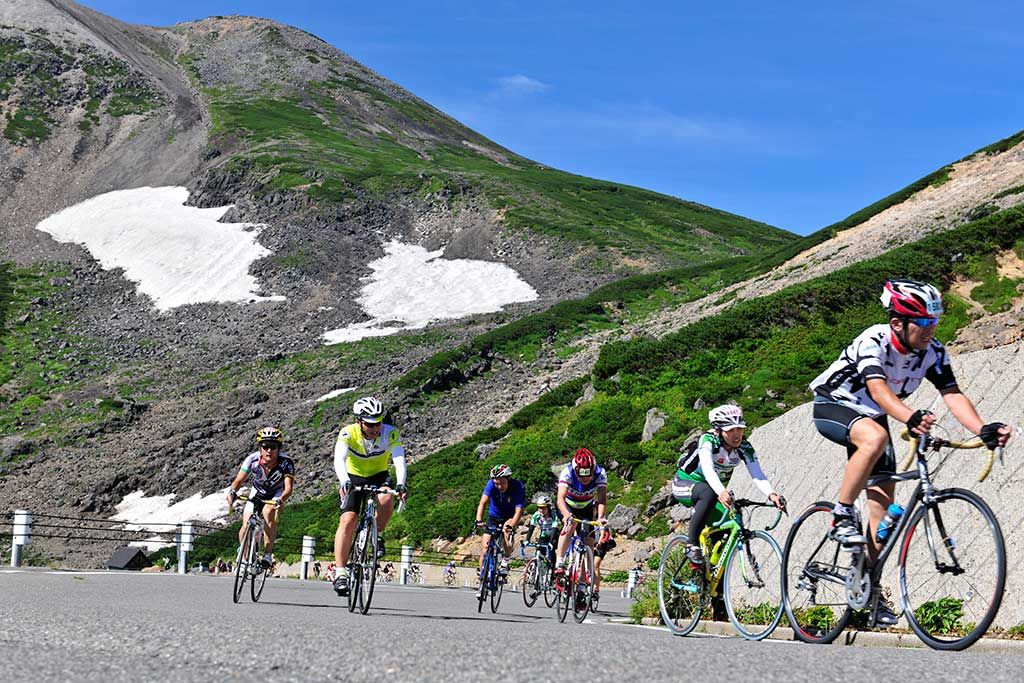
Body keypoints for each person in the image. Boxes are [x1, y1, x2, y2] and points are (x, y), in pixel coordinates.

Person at [809, 278, 1011, 626]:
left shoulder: (933, 352)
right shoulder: (874, 341)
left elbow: (952, 393)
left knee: (881, 515)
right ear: (897, 323)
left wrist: (982, 428)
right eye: (924, 322)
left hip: (874, 415)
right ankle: (841, 513)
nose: (931, 329)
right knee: (874, 438)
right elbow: (878, 389)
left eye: (935, 322)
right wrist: (911, 416)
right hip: (834, 405)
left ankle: (869, 593)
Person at [672, 405, 785, 568]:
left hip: (710, 489)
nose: (737, 434)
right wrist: (721, 491)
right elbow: (708, 469)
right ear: (718, 430)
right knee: (708, 493)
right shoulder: (708, 440)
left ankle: (715, 584)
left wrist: (772, 495)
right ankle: (691, 545)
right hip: (684, 482)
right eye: (730, 430)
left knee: (728, 530)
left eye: (740, 429)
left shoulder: (744, 448)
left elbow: (757, 475)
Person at [332, 396, 408, 596]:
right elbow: (339, 458)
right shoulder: (348, 433)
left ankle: (377, 534)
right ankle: (340, 572)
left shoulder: (390, 433)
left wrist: (401, 484)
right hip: (353, 477)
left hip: (378, 476)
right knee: (348, 520)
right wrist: (343, 480)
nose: (376, 428)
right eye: (370, 424)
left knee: (386, 497)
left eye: (378, 422)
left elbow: (399, 459)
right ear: (359, 421)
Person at [226, 426, 295, 570]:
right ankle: (245, 559)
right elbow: (239, 480)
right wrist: (232, 491)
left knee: (268, 512)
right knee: (245, 528)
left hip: (276, 493)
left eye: (273, 447)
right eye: (265, 446)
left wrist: (281, 499)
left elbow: (288, 488)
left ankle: (267, 555)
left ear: (279, 448)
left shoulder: (286, 462)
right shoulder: (252, 460)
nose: (269, 450)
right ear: (260, 447)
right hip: (257, 492)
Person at [554, 448, 608, 581]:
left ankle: (583, 579)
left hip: (586, 507)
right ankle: (560, 562)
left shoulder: (600, 473)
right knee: (570, 526)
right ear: (575, 470)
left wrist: (600, 517)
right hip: (568, 506)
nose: (585, 479)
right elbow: (560, 499)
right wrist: (567, 515)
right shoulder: (567, 472)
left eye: (588, 475)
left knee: (589, 541)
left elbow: (601, 499)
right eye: (581, 475)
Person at [474, 463, 526, 579]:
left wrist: (512, 525)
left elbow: (519, 510)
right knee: (485, 548)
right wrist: (478, 520)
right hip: (494, 516)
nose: (499, 486)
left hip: (510, 516)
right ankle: (483, 576)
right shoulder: (491, 484)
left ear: (509, 479)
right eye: (496, 483)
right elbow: (483, 503)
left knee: (507, 532)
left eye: (502, 483)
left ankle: (505, 561)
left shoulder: (517, 487)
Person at [523, 494, 560, 572]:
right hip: (543, 535)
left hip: (553, 535)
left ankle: (552, 572)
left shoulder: (553, 515)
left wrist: (551, 542)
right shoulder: (536, 515)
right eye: (539, 508)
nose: (541, 510)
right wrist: (527, 540)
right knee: (539, 551)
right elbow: (531, 528)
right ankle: (536, 570)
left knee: (551, 552)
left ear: (548, 507)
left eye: (544, 508)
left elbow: (554, 528)